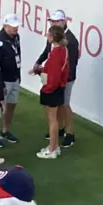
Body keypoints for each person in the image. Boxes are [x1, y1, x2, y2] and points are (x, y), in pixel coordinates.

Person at [34, 10, 79, 147]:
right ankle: (59, 129)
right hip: (57, 77)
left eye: (57, 21)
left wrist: (63, 82)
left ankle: (70, 133)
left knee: (64, 104)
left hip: (65, 79)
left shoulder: (70, 41)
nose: (54, 23)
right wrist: (38, 62)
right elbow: (47, 50)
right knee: (59, 105)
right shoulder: (55, 34)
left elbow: (71, 63)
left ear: (64, 21)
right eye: (52, 21)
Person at [32, 25, 69, 159]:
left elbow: (53, 76)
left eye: (48, 34)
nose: (46, 36)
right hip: (58, 88)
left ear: (53, 37)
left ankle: (52, 149)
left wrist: (46, 89)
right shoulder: (63, 51)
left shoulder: (55, 54)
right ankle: (55, 146)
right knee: (54, 119)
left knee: (52, 120)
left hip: (52, 90)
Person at [0, 13, 22, 145]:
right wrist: (0, 85)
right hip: (5, 80)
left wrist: (19, 76)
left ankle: (5, 131)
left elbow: (18, 55)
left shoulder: (16, 37)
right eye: (13, 26)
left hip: (15, 78)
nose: (16, 29)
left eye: (16, 26)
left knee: (11, 106)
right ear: (5, 26)